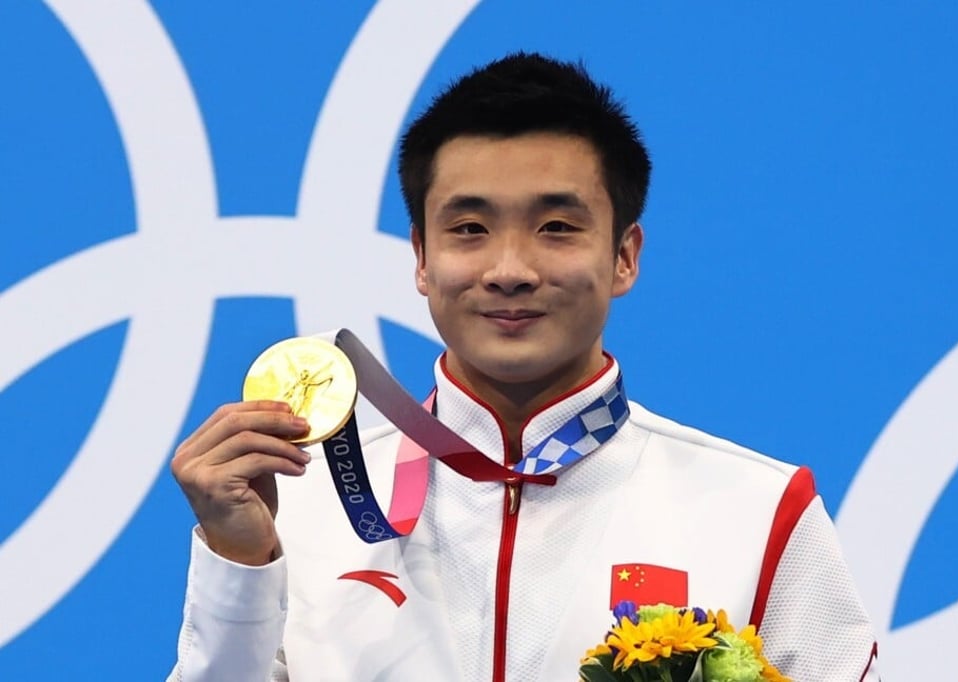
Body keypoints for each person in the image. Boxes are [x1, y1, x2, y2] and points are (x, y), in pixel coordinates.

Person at [168, 52, 880, 681]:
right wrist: (238, 560)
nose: (509, 270)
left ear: (625, 255)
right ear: (421, 256)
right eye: (469, 229)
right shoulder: (300, 503)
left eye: (557, 228)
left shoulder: (759, 513)